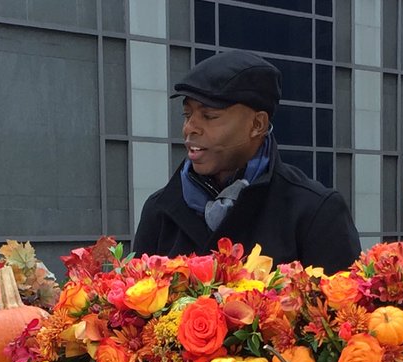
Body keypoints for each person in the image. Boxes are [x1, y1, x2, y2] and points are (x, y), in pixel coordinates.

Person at [133, 49, 361, 274]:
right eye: (187, 115)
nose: (189, 128)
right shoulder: (159, 210)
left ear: (257, 125)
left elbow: (341, 309)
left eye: (209, 116)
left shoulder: (315, 212)